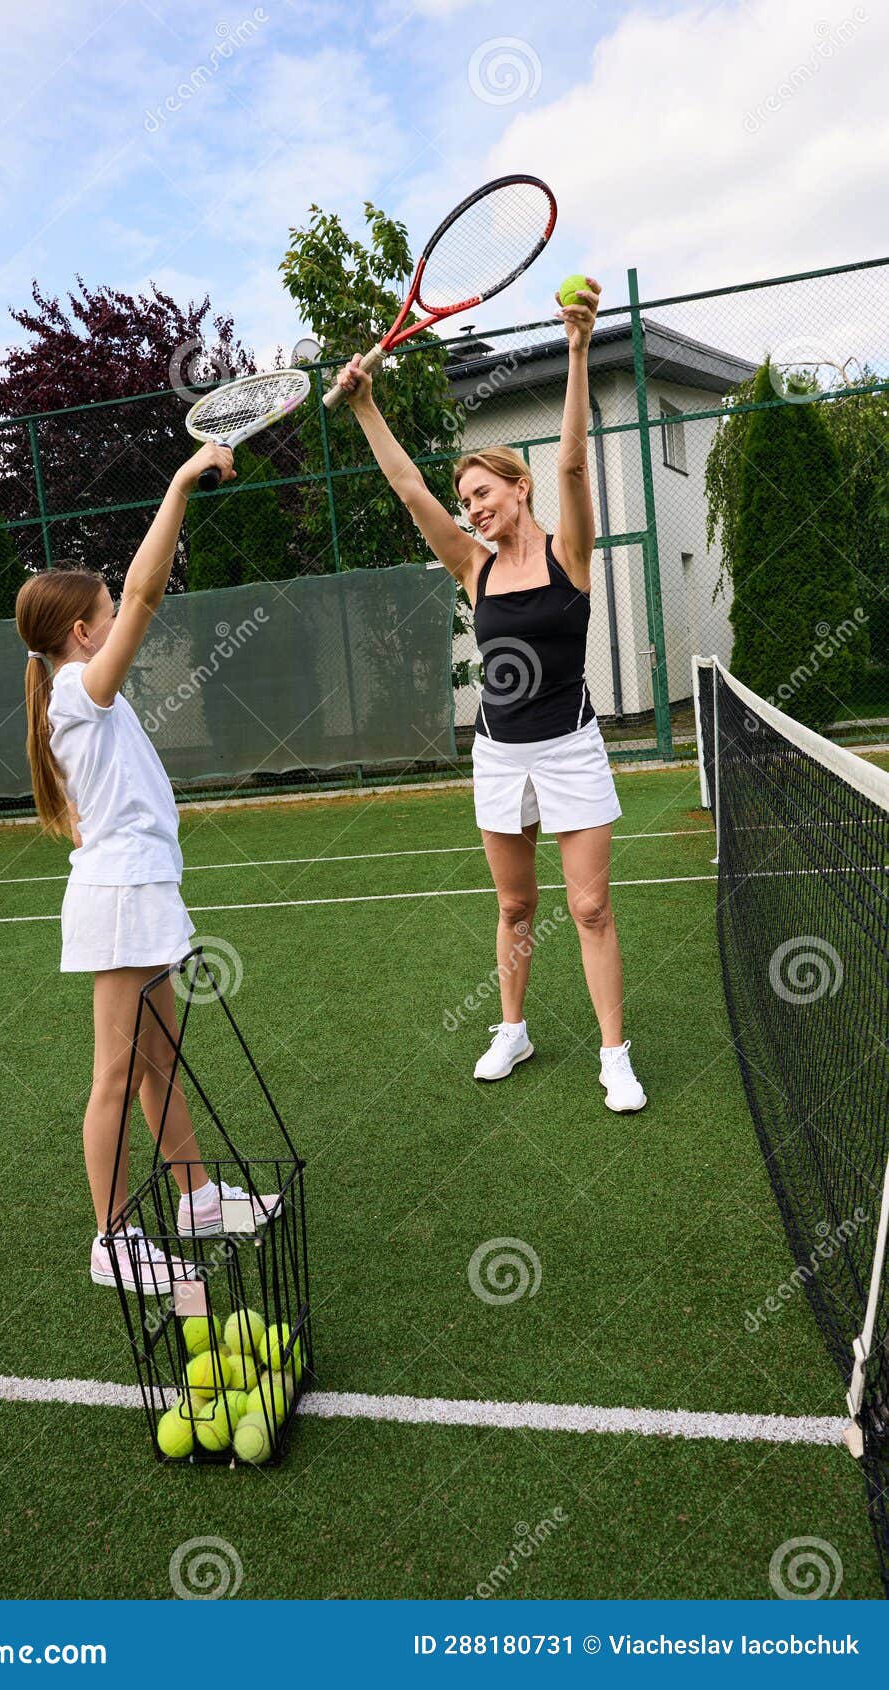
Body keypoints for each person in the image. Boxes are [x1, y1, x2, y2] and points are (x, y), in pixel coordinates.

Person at [337, 277, 645, 1112]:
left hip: (570, 744)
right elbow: (410, 493)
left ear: (520, 489)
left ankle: (614, 1053)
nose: (470, 508)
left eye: (482, 493)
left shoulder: (568, 555)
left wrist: (580, 350)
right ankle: (513, 1027)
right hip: (499, 752)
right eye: (465, 498)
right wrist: (365, 407)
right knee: (516, 904)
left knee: (587, 906)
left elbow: (576, 458)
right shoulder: (471, 567)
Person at [16, 441, 276, 1293]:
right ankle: (112, 1240)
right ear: (84, 633)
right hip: (120, 899)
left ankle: (195, 1199)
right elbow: (147, 592)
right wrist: (178, 482)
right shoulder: (76, 692)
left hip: (142, 889)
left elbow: (132, 597)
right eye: (104, 612)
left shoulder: (91, 696)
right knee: (117, 1075)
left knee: (160, 1061)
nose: (116, 617)